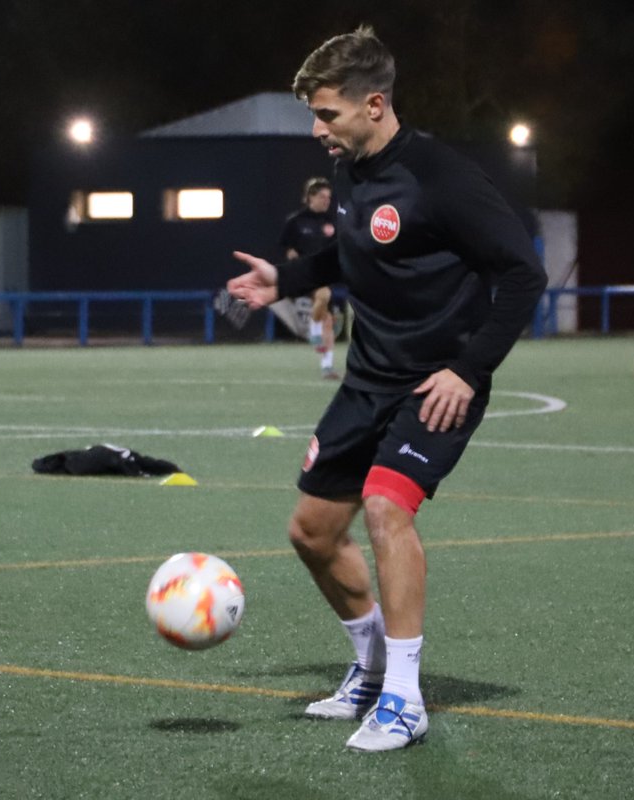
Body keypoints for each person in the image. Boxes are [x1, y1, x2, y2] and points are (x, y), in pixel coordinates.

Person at [228, 26, 545, 752]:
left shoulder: (441, 176)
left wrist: (470, 370)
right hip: (367, 378)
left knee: (384, 507)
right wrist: (287, 278)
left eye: (327, 114)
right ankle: (372, 669)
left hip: (436, 384)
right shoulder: (350, 170)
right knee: (311, 532)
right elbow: (353, 251)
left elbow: (524, 273)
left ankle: (405, 700)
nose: (317, 130)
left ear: (374, 104)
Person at [278, 177, 341, 379]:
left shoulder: (332, 221)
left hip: (324, 274)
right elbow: (287, 249)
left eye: (329, 197)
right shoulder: (295, 221)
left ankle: (327, 367)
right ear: (310, 197)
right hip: (303, 274)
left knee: (328, 320)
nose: (326, 201)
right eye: (322, 196)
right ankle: (313, 329)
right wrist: (292, 258)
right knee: (324, 295)